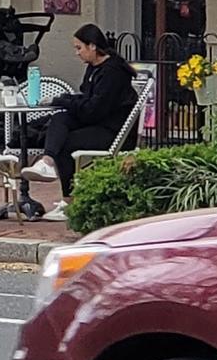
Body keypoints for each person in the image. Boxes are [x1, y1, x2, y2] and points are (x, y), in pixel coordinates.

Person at [30, 25, 137, 217]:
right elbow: (85, 100)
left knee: (66, 143)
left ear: (93, 46)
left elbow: (94, 109)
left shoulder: (113, 73)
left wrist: (64, 100)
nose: (77, 53)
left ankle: (68, 202)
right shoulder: (92, 69)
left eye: (79, 48)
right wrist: (67, 102)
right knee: (60, 116)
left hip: (113, 131)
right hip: (97, 122)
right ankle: (46, 162)